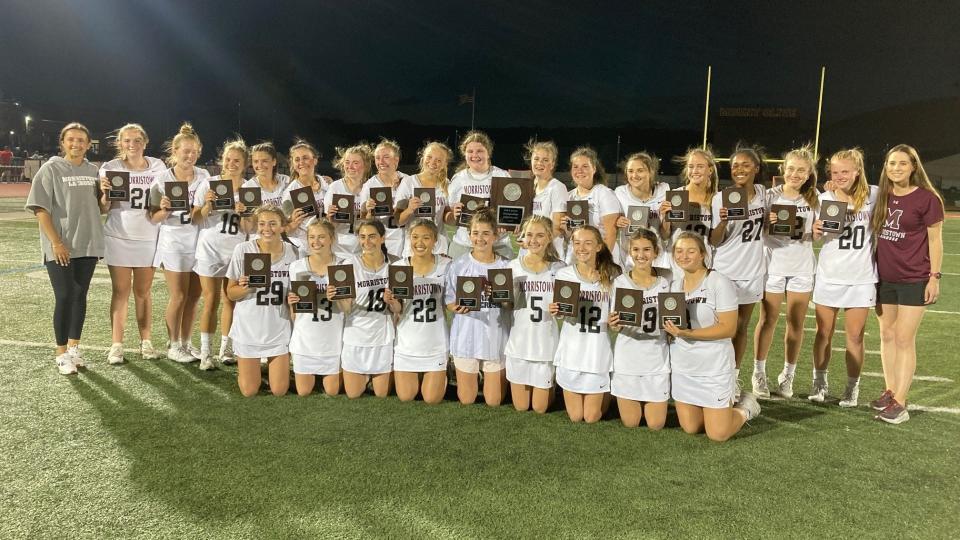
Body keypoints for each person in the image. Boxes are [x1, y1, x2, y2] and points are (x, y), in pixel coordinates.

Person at [871, 144, 944, 424]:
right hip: (884, 276)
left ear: (914, 166)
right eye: (891, 163)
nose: (896, 168)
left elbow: (935, 240)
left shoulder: (927, 198)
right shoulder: (882, 196)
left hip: (915, 277)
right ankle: (890, 391)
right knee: (887, 335)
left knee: (904, 338)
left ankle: (901, 403)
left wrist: (934, 278)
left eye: (902, 163)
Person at [664, 232, 760, 442]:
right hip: (684, 367)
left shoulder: (719, 282)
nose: (684, 256)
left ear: (702, 254)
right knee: (691, 428)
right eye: (679, 251)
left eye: (691, 251)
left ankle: (746, 406)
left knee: (718, 434)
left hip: (713, 366)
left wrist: (687, 333)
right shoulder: (674, 286)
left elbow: (728, 328)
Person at [25, 122, 105, 375]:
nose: (76, 144)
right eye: (71, 139)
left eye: (81, 140)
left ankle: (73, 348)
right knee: (64, 295)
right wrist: (56, 243)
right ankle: (60, 352)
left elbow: (101, 208)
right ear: (62, 142)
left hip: (88, 243)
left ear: (88, 144)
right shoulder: (50, 169)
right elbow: (40, 208)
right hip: (61, 246)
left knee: (80, 296)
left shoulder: (94, 170)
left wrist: (108, 197)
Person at [810, 148, 878, 407]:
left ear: (857, 170)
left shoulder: (874, 194)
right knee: (823, 333)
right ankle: (819, 381)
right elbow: (816, 235)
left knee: (855, 337)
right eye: (835, 172)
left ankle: (852, 387)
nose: (839, 176)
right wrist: (815, 230)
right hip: (830, 274)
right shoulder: (824, 197)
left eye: (845, 171)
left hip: (860, 277)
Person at [752, 145, 819, 398]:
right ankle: (759, 373)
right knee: (768, 320)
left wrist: (815, 232)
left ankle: (787, 376)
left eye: (801, 170)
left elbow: (819, 232)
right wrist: (766, 224)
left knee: (796, 324)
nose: (795, 174)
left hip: (802, 268)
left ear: (809, 172)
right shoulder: (769, 196)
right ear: (783, 169)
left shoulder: (815, 197)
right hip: (774, 267)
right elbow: (757, 230)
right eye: (791, 168)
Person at [97, 123, 167, 364]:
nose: (132, 145)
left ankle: (146, 342)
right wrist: (104, 195)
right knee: (120, 291)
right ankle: (116, 345)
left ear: (145, 143)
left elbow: (159, 203)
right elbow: (104, 208)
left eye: (137, 140)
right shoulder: (110, 168)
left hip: (148, 236)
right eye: (127, 140)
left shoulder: (158, 166)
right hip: (118, 236)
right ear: (120, 143)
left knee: (143, 292)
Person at [710, 145, 768, 398]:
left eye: (746, 165)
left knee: (741, 327)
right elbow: (714, 240)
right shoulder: (721, 197)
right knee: (720, 328)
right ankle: (715, 375)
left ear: (756, 168)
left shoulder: (765, 194)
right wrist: (723, 220)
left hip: (752, 270)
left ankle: (732, 377)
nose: (740, 169)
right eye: (735, 165)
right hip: (725, 270)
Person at [148, 123, 209, 363]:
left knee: (194, 297)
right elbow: (153, 217)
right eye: (186, 151)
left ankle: (185, 342)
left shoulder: (204, 176)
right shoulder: (161, 179)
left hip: (199, 242)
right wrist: (163, 210)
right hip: (174, 243)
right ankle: (173, 344)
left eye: (194, 151)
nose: (190, 156)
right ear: (175, 150)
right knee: (179, 296)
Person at [225, 205, 297, 396]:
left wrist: (294, 298)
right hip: (249, 328)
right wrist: (247, 287)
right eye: (262, 224)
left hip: (278, 327)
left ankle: (269, 368)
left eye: (273, 224)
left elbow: (300, 290)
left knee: (280, 390)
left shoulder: (294, 253)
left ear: (283, 227)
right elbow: (231, 293)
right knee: (249, 391)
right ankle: (253, 367)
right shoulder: (243, 249)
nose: (267, 229)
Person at [192, 138, 252, 369]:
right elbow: (196, 218)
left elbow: (248, 229)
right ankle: (206, 354)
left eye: (237, 160)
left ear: (245, 163)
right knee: (210, 300)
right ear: (222, 160)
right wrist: (207, 205)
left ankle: (226, 348)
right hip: (210, 248)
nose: (231, 163)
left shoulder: (249, 188)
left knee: (230, 300)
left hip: (235, 251)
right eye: (228, 159)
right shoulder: (210, 183)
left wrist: (245, 214)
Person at [550, 225, 619, 423]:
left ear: (599, 247)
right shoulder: (564, 275)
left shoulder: (613, 275)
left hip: (597, 350)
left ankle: (608, 391)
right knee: (575, 416)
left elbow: (616, 316)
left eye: (588, 243)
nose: (581, 248)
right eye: (577, 243)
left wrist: (616, 322)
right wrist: (557, 311)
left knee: (591, 417)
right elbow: (563, 313)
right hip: (572, 349)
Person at [445, 207, 512, 406]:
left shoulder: (506, 266)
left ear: (495, 235)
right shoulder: (458, 265)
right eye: (475, 233)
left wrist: (502, 298)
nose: (480, 238)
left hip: (495, 336)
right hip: (467, 335)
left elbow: (511, 305)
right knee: (466, 399)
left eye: (485, 233)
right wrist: (455, 307)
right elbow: (449, 301)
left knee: (494, 401)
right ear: (469, 235)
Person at [609, 229, 672, 429]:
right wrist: (614, 325)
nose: (641, 255)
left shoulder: (667, 281)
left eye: (646, 249)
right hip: (628, 358)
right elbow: (615, 323)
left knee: (656, 424)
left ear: (656, 252)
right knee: (631, 422)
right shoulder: (619, 282)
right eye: (635, 249)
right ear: (629, 251)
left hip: (657, 358)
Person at [504, 215, 564, 413]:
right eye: (529, 235)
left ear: (549, 237)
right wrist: (499, 297)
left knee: (539, 408)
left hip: (545, 344)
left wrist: (561, 310)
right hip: (519, 342)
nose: (534, 240)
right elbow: (507, 305)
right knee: (521, 407)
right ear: (522, 236)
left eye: (540, 235)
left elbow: (565, 309)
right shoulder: (512, 266)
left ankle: (554, 386)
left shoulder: (560, 269)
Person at [392, 219, 451, 404]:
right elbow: (397, 309)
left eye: (426, 238)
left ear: (435, 240)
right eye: (415, 237)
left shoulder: (447, 265)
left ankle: (443, 372)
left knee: (432, 399)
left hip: (436, 342)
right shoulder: (399, 267)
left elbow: (450, 301)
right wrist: (392, 301)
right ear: (409, 239)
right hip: (407, 343)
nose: (420, 243)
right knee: (406, 396)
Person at [287, 219, 344, 396]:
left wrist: (338, 298)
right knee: (303, 392)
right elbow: (294, 312)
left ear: (331, 239)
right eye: (312, 237)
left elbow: (350, 306)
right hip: (306, 337)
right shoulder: (297, 267)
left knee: (333, 391)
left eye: (321, 237)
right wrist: (292, 302)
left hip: (333, 338)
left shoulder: (344, 265)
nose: (316, 242)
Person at [340, 219, 395, 398]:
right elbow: (345, 309)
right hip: (356, 334)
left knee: (382, 394)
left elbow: (400, 307)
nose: (367, 242)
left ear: (382, 238)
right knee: (353, 394)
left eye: (372, 236)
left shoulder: (396, 265)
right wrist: (340, 298)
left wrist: (392, 301)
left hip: (382, 335)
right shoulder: (347, 266)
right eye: (362, 237)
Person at [445, 131, 512, 259]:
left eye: (479, 151)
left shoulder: (502, 176)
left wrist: (506, 223)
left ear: (488, 153)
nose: (474, 155)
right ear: (465, 154)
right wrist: (454, 214)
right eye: (470, 151)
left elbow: (511, 212)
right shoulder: (458, 179)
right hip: (465, 244)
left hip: (498, 244)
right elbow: (450, 220)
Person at [662, 147, 717, 274]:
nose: (695, 171)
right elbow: (665, 235)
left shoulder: (716, 199)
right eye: (691, 166)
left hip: (704, 265)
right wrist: (665, 217)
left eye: (700, 166)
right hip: (677, 267)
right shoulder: (676, 196)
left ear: (710, 170)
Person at [614, 151, 670, 270]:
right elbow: (612, 227)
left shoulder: (663, 190)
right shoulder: (620, 193)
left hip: (657, 259)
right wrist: (617, 222)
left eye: (640, 170)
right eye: (630, 171)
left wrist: (666, 217)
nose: (634, 175)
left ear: (651, 172)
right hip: (630, 260)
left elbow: (665, 235)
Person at [563, 147, 621, 263]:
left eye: (585, 166)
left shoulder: (604, 193)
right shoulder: (568, 197)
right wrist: (565, 228)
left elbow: (611, 233)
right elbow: (569, 235)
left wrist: (601, 261)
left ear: (594, 169)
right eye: (575, 167)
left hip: (601, 257)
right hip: (575, 256)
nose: (579, 171)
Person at [395, 141, 453, 257]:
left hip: (438, 247)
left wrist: (456, 214)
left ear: (445, 164)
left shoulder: (447, 185)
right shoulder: (409, 182)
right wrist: (409, 209)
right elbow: (397, 221)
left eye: (438, 160)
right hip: (414, 247)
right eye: (429, 157)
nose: (433, 162)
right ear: (423, 158)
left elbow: (448, 218)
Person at [323, 143, 373, 259]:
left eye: (355, 163)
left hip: (364, 249)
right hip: (339, 249)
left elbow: (373, 224)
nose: (350, 166)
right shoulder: (335, 187)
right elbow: (330, 226)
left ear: (365, 166)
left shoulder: (371, 187)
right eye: (347, 162)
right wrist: (330, 217)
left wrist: (370, 214)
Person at [360, 139, 408, 257]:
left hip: (406, 243)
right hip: (381, 245)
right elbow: (363, 221)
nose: (381, 161)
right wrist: (369, 211)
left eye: (386, 157)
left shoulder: (408, 181)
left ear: (396, 159)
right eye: (377, 158)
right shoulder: (369, 186)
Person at [282, 139, 330, 249]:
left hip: (327, 242)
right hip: (305, 245)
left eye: (305, 158)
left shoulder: (327, 184)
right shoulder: (290, 192)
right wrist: (292, 221)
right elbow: (284, 227)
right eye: (297, 159)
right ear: (293, 164)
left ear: (315, 160)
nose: (301, 163)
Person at [526, 140, 567, 257]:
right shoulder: (528, 186)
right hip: (528, 251)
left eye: (545, 160)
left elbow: (557, 227)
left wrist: (534, 243)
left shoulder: (557, 188)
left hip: (549, 253)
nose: (540, 163)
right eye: (536, 159)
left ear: (552, 164)